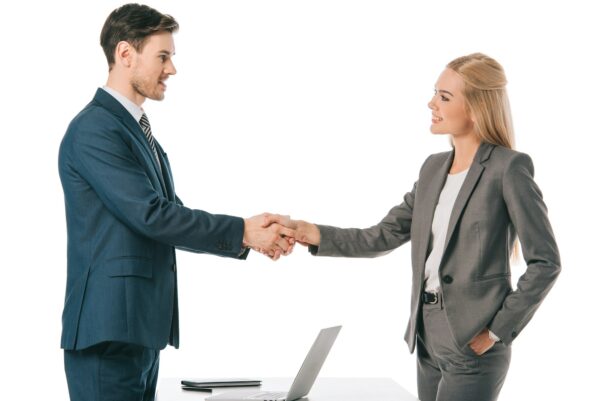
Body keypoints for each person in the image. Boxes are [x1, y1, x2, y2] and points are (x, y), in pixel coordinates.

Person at [265, 53, 561, 401]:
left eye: (445, 97)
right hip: (426, 335)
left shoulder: (508, 168)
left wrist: (496, 331)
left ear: (476, 107)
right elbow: (382, 236)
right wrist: (307, 230)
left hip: (473, 339)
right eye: (435, 93)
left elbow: (545, 263)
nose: (431, 103)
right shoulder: (432, 169)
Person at [58, 4, 294, 401]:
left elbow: (171, 214)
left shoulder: (133, 131)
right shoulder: (95, 129)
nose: (171, 69)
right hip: (109, 334)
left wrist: (250, 237)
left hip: (137, 332)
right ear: (125, 54)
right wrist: (243, 231)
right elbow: (152, 216)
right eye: (163, 56)